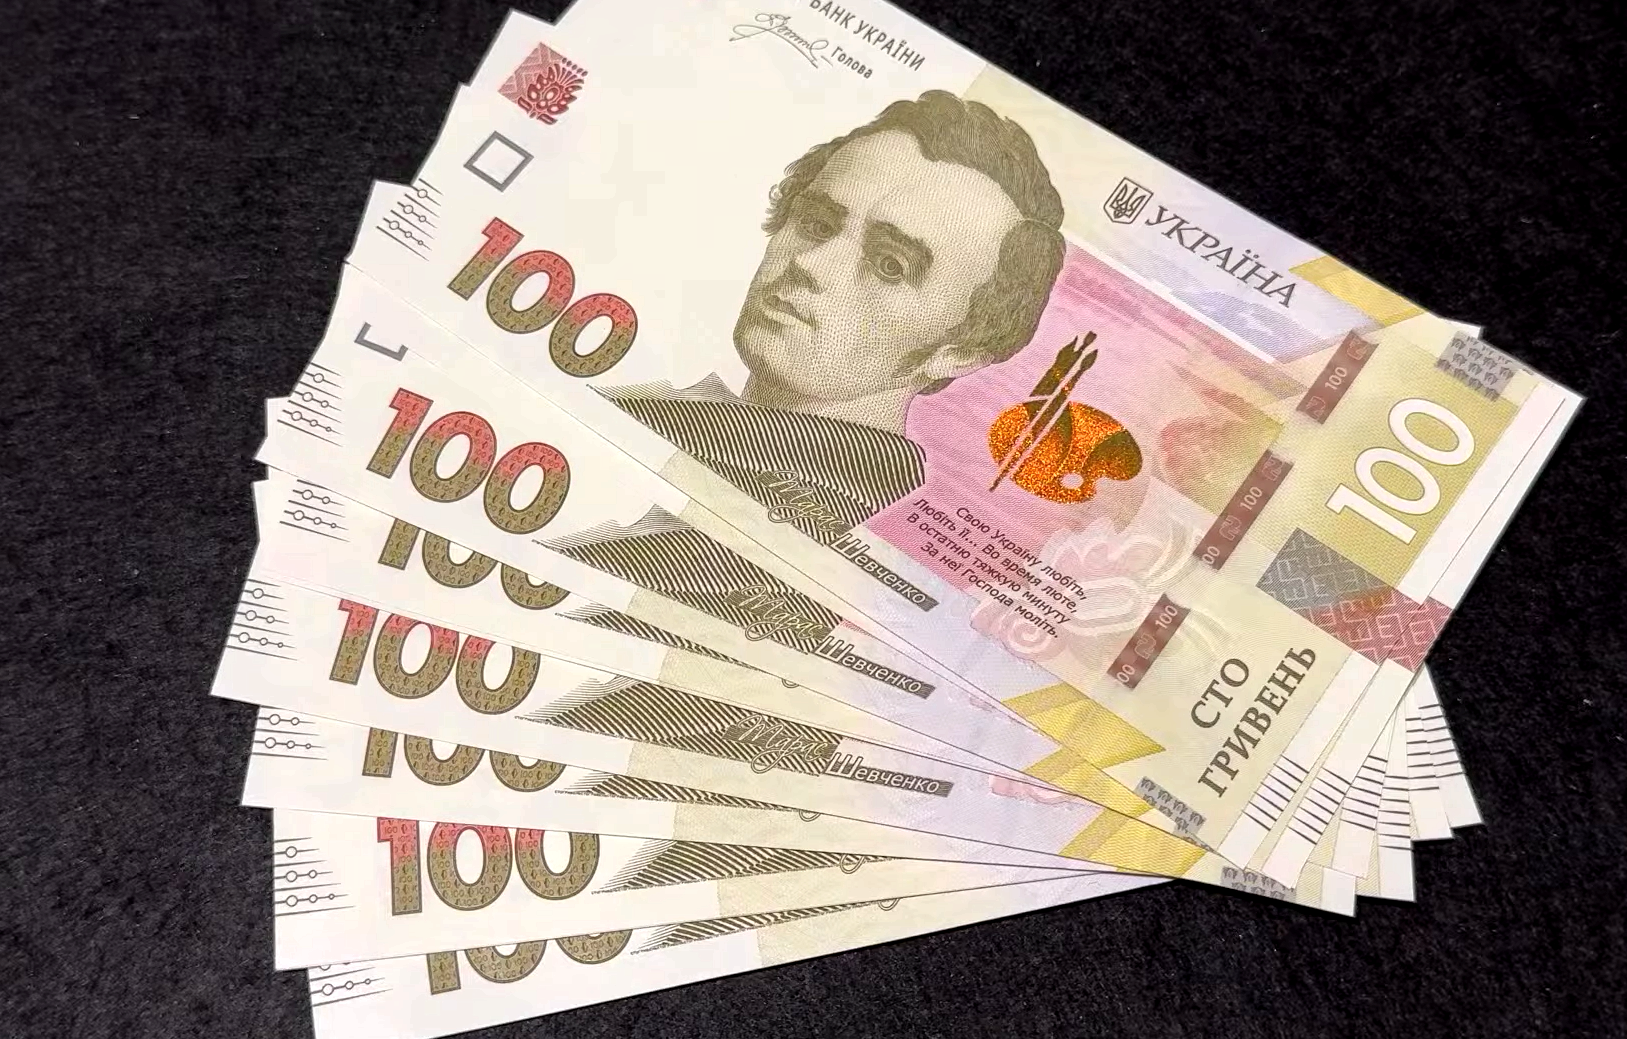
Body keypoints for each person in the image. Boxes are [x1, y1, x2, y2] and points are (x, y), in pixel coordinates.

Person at [597, 90, 1066, 541]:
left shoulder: (846, 521)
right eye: (817, 224)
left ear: (960, 352)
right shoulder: (682, 421)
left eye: (890, 265)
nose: (811, 263)